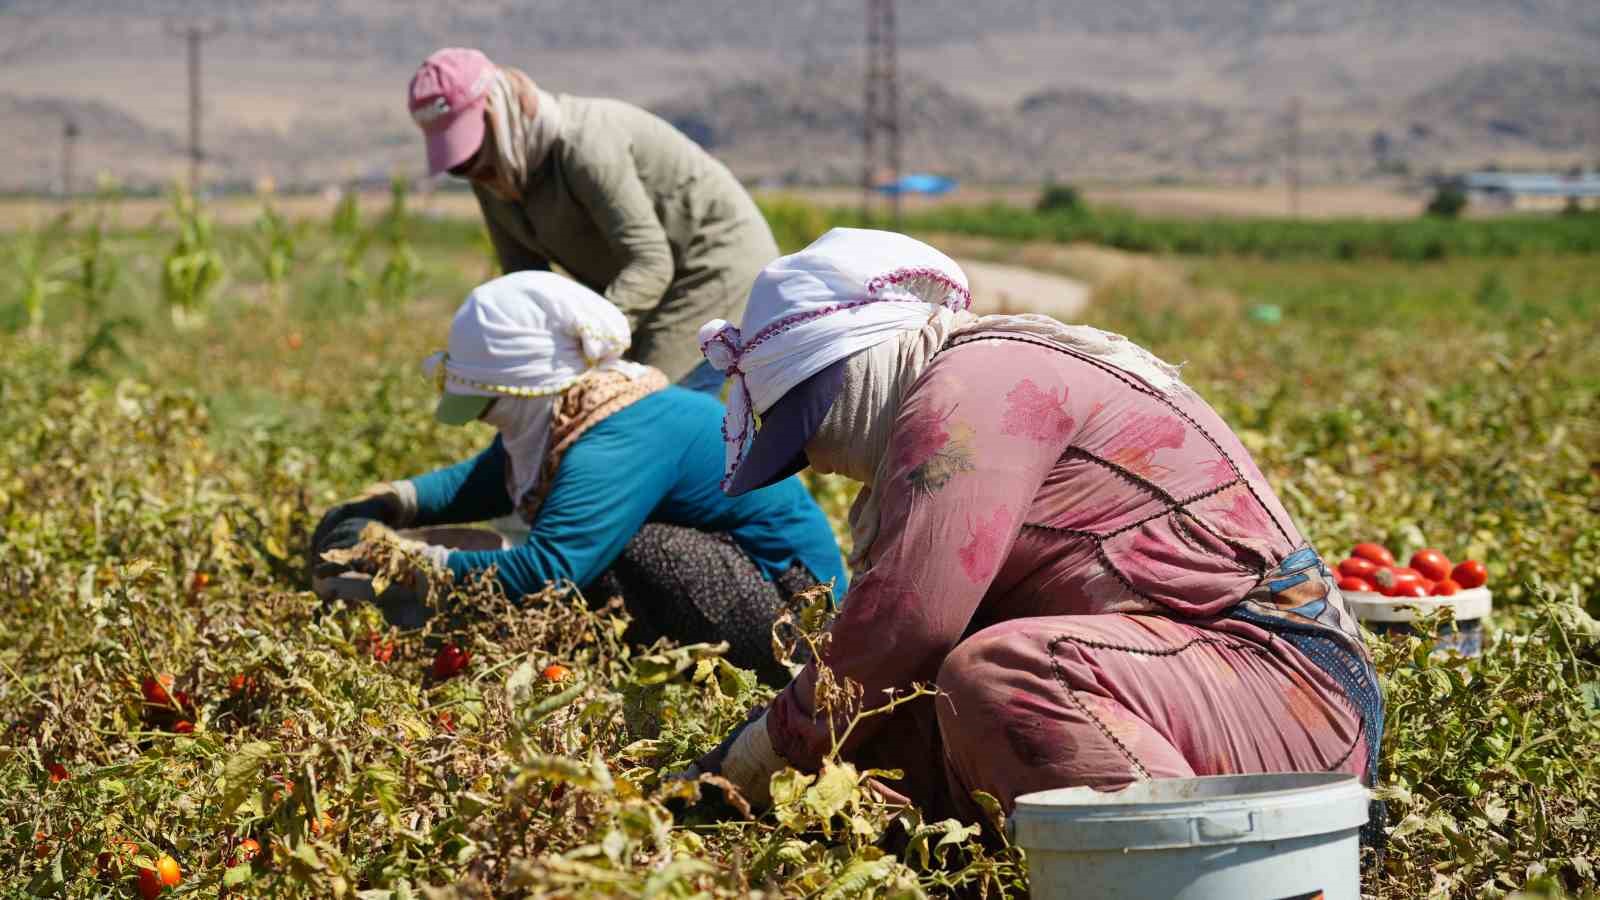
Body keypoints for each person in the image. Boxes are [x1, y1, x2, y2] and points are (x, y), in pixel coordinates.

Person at [687, 228, 1384, 843]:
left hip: (1283, 693)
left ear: (856, 361)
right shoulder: (960, 384)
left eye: (812, 423)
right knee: (873, 752)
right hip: (1182, 686)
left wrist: (760, 750)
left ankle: (1186, 867)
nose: (825, 459)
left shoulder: (975, 385)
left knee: (1003, 678)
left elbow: (907, 621)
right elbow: (889, 672)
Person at [309, 271, 846, 683]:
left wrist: (411, 563)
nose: (487, 421)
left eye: (491, 406)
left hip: (796, 628)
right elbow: (491, 476)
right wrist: (395, 502)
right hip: (753, 590)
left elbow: (550, 571)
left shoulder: (618, 439)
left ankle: (703, 678)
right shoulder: (581, 412)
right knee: (602, 547)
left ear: (532, 390)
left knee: (629, 551)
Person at [406, 47, 779, 393]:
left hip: (713, 269)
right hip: (647, 289)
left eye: (472, 148)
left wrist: (582, 340)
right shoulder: (493, 173)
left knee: (644, 411)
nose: (470, 167)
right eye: (460, 161)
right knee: (589, 408)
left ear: (496, 111)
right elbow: (526, 284)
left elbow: (650, 262)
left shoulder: (583, 147)